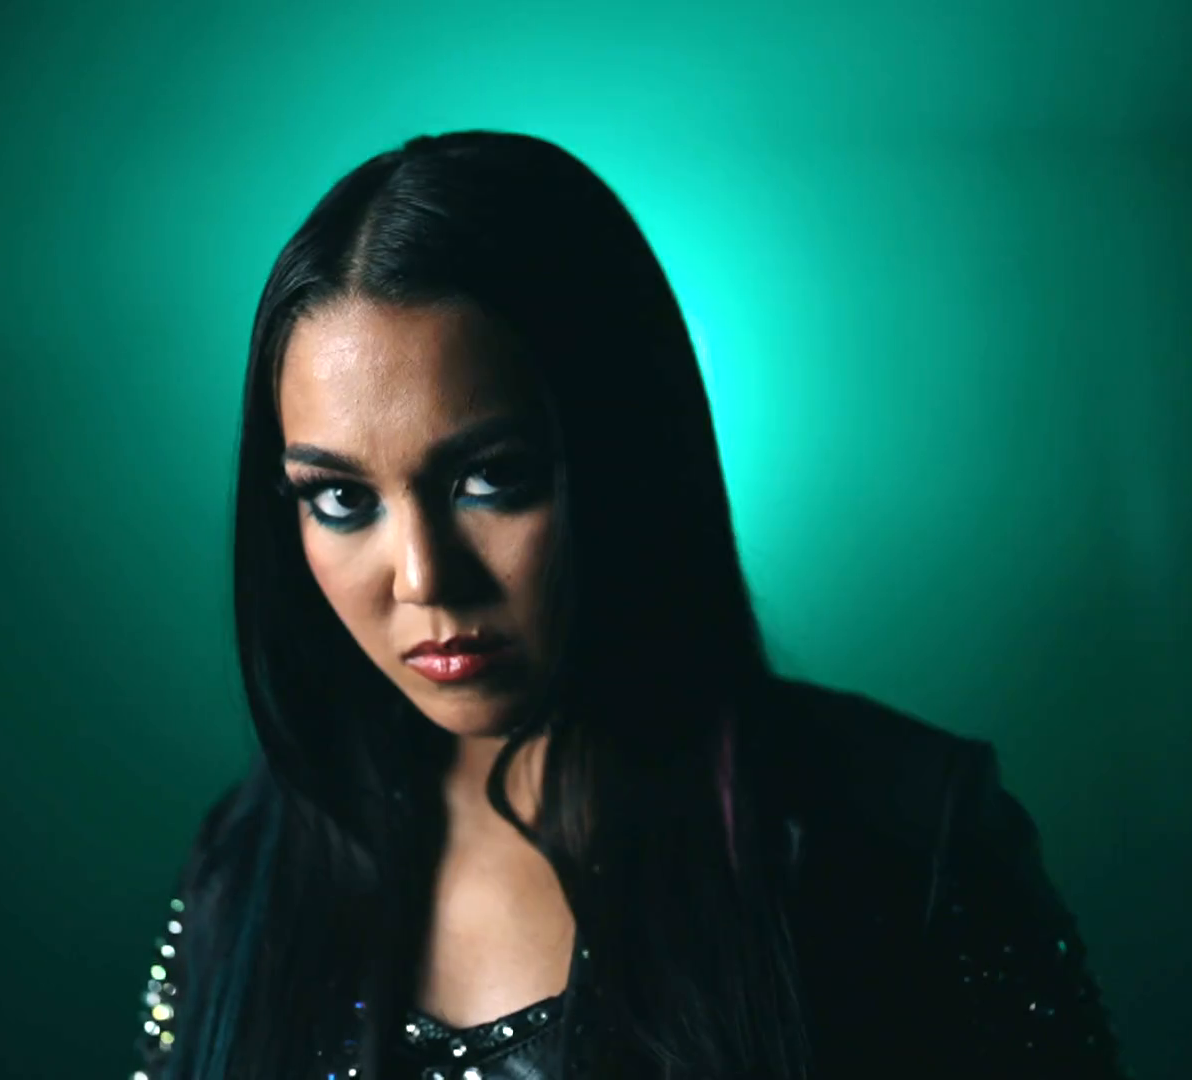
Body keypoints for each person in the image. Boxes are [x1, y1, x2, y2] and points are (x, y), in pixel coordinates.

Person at [128, 130, 1126, 1080]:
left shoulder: (902, 843)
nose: (424, 579)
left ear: (630, 452)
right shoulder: (247, 866)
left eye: (492, 478)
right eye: (343, 500)